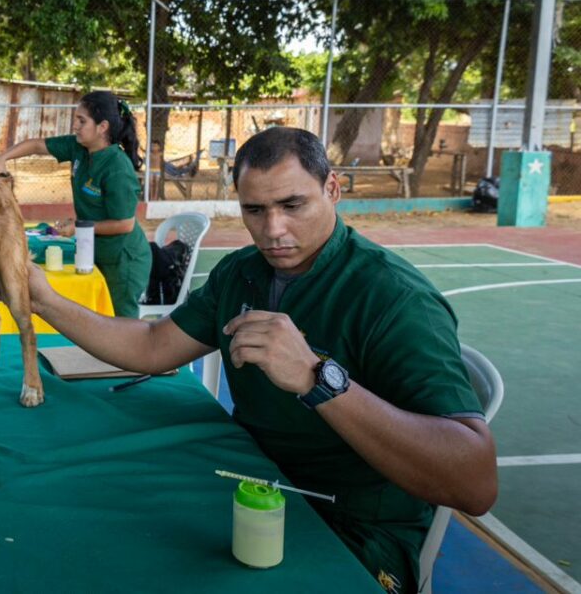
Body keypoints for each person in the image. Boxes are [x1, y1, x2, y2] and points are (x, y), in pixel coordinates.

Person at [26, 127, 498, 593]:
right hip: (251, 480)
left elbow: (475, 485)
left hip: (349, 526)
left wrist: (319, 379)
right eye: (255, 210)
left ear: (332, 189)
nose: (273, 230)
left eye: (293, 205)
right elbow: (153, 345)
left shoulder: (395, 299)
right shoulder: (242, 272)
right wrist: (45, 301)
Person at [0, 91, 151, 317]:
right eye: (76, 119)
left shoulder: (117, 167)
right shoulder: (79, 148)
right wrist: (1, 158)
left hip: (123, 261)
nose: (75, 125)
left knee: (122, 326)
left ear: (102, 127)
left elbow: (124, 224)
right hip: (95, 251)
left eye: (81, 120)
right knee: (97, 321)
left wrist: (79, 226)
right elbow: (37, 145)